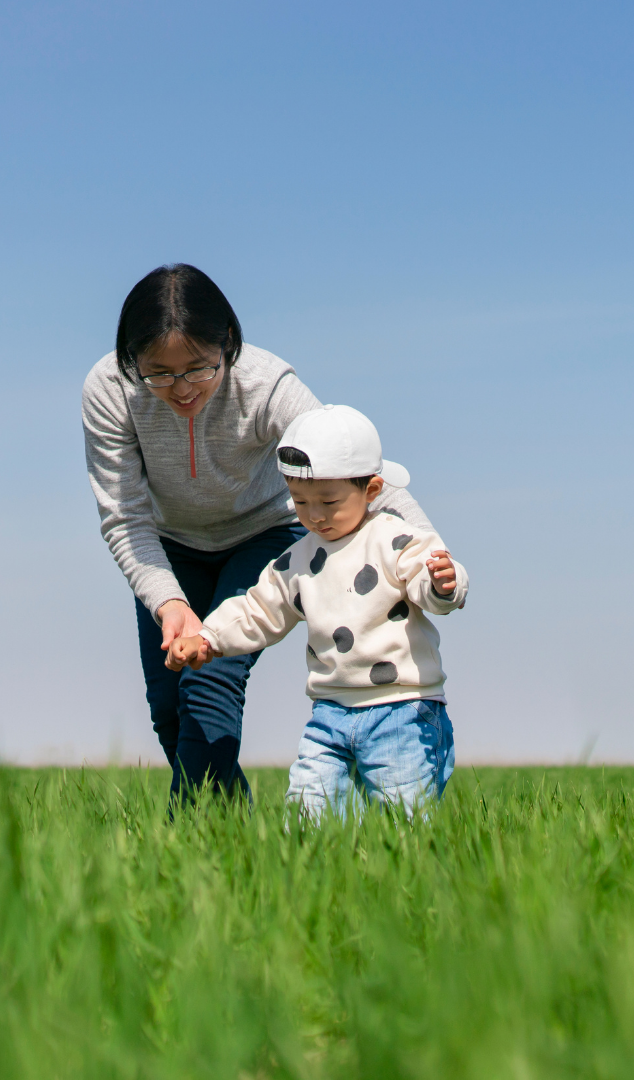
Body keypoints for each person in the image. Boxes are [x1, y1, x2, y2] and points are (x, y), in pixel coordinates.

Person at [82, 264, 438, 805]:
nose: (180, 390)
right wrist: (168, 603)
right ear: (131, 361)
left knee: (211, 679)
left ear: (227, 342)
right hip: (167, 548)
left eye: (199, 369)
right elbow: (125, 517)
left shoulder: (268, 386)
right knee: (170, 710)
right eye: (159, 374)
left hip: (263, 535)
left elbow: (352, 466)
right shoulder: (109, 391)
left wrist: (430, 550)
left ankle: (192, 838)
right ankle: (233, 830)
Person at [167, 405, 468, 818]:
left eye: (329, 501)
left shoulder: (394, 537)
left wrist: (443, 583)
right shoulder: (298, 559)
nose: (315, 515)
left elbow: (427, 577)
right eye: (300, 500)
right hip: (329, 714)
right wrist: (208, 637)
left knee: (405, 819)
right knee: (309, 813)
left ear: (372, 490)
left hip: (401, 709)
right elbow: (259, 609)